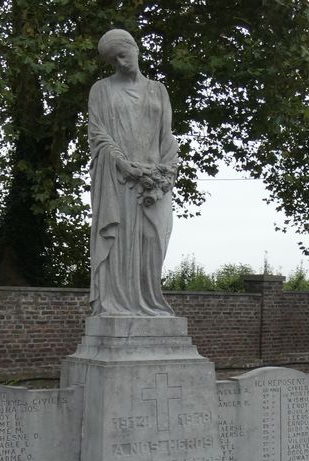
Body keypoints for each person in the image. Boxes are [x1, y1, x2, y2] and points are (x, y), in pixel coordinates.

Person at [88, 28, 178, 317]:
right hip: (119, 179)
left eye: (124, 55)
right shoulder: (101, 89)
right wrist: (122, 164)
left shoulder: (158, 90)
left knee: (153, 242)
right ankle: (118, 308)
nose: (122, 63)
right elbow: (98, 134)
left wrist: (165, 174)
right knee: (121, 246)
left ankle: (150, 303)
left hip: (155, 182)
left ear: (136, 49)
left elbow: (168, 136)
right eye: (115, 60)